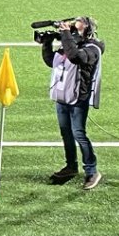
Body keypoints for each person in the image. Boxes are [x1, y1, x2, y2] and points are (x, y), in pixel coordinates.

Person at [42, 17, 104, 190]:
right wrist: (46, 44)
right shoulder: (72, 43)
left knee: (79, 134)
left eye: (80, 22)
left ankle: (92, 171)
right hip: (62, 96)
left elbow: (75, 57)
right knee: (66, 133)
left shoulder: (93, 48)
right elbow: (51, 61)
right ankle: (71, 166)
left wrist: (66, 34)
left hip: (78, 98)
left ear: (88, 28)